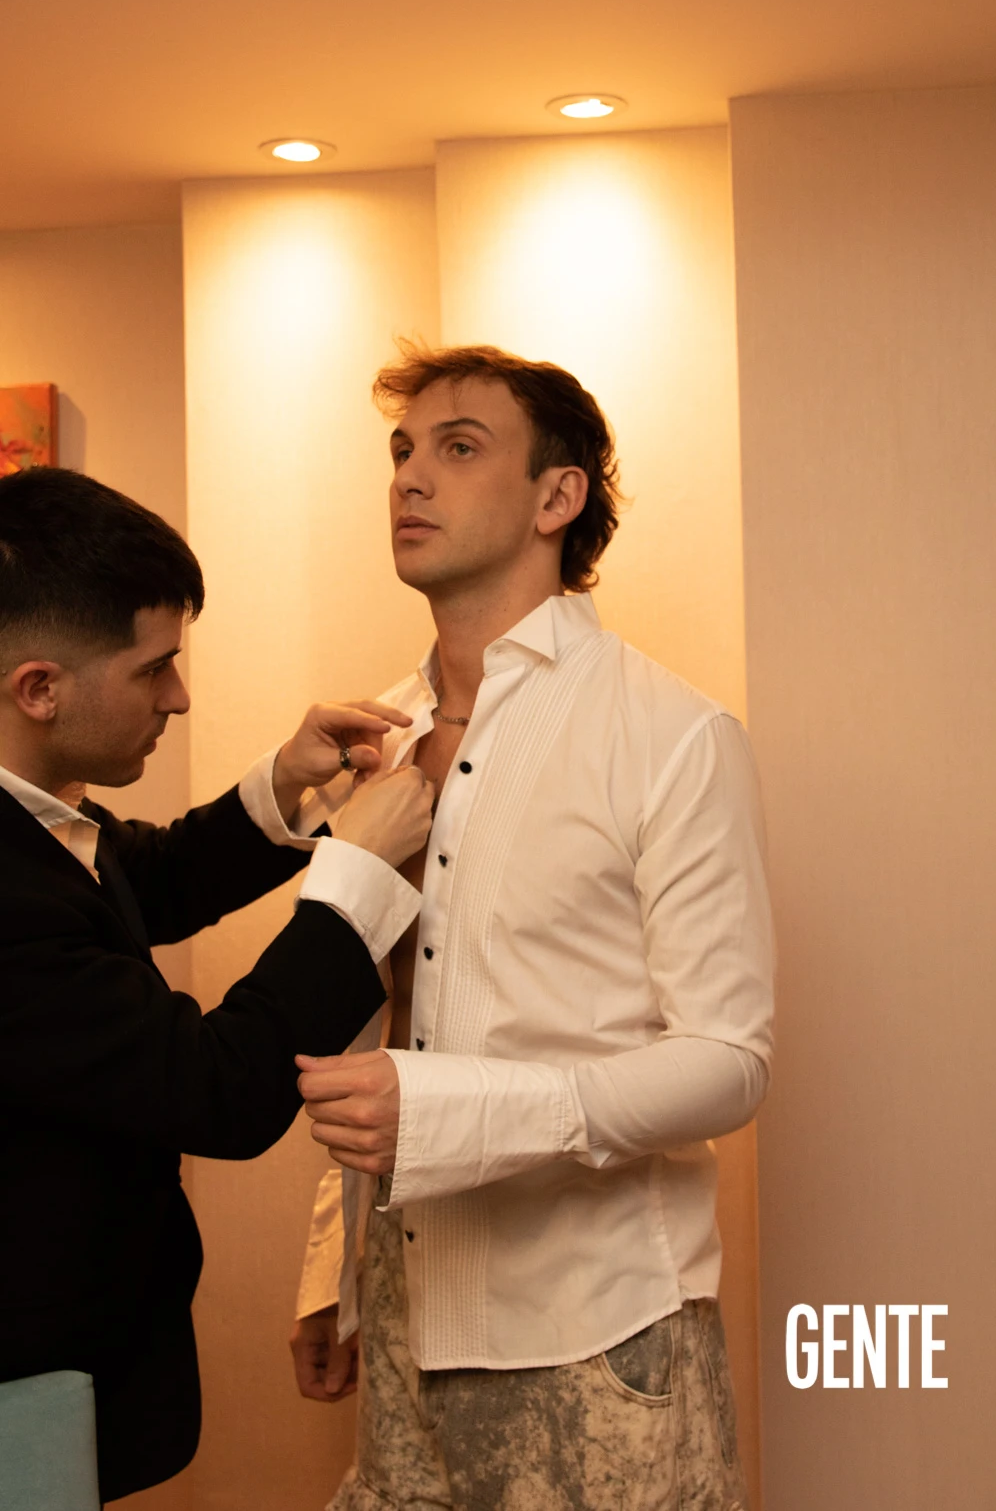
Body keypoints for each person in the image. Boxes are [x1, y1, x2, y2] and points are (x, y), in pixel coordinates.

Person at [288, 345, 775, 1511]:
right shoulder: (375, 739)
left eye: (459, 448)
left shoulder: (673, 734)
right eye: (403, 451)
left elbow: (729, 1062)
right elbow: (382, 1029)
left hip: (597, 1327)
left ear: (558, 497)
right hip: (401, 1305)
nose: (410, 479)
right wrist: (331, 1269)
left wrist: (457, 1112)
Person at [0, 466, 434, 1504]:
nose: (179, 697)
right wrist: (354, 880)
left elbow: (136, 878)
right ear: (40, 689)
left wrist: (290, 785)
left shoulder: (37, 819)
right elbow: (214, 1088)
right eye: (155, 669)